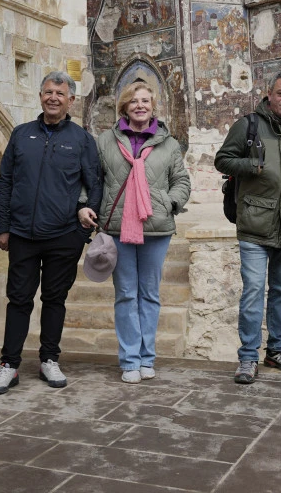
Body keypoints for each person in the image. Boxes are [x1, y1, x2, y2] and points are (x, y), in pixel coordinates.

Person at [0, 71, 103, 394]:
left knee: (55, 299)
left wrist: (84, 224)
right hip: (23, 235)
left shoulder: (81, 140)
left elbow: (95, 183)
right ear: (40, 96)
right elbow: (6, 182)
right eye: (48, 92)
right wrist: (4, 227)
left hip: (64, 236)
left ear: (71, 100)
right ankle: (9, 365)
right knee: (18, 300)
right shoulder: (21, 134)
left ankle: (49, 359)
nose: (53, 98)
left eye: (60, 93)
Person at [215, 70, 281, 385]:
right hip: (255, 224)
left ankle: (277, 350)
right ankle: (247, 357)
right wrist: (251, 165)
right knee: (254, 291)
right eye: (280, 93)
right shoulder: (248, 125)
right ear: (269, 94)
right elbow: (222, 160)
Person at [96, 81, 191, 383]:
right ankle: (130, 360)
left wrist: (169, 202)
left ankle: (147, 357)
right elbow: (94, 179)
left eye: (145, 101)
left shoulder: (169, 144)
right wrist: (88, 206)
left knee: (149, 294)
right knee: (126, 294)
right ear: (124, 106)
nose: (140, 106)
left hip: (156, 228)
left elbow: (181, 181)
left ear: (153, 106)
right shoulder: (105, 141)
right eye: (134, 101)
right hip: (117, 227)